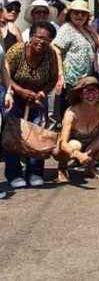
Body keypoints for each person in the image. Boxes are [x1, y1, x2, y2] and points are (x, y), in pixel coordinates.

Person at [3, 22, 59, 188]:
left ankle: (35, 172)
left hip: (37, 98)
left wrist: (42, 92)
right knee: (13, 135)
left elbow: (53, 78)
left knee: (37, 134)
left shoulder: (50, 54)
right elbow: (4, 75)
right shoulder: (16, 51)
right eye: (39, 37)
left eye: (47, 40)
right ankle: (14, 174)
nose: (42, 42)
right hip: (14, 95)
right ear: (31, 36)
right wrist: (20, 91)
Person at [56, 76, 99, 182]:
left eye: (94, 91)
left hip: (91, 143)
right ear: (80, 94)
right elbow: (63, 143)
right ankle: (62, 168)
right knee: (75, 145)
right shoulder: (71, 113)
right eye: (87, 91)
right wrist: (77, 154)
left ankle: (90, 165)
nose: (91, 95)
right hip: (73, 145)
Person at [53, 0, 99, 118]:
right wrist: (60, 75)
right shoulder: (67, 28)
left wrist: (91, 30)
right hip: (70, 79)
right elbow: (56, 49)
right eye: (76, 13)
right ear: (70, 14)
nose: (79, 16)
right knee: (69, 112)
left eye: (83, 14)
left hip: (85, 79)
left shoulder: (86, 29)